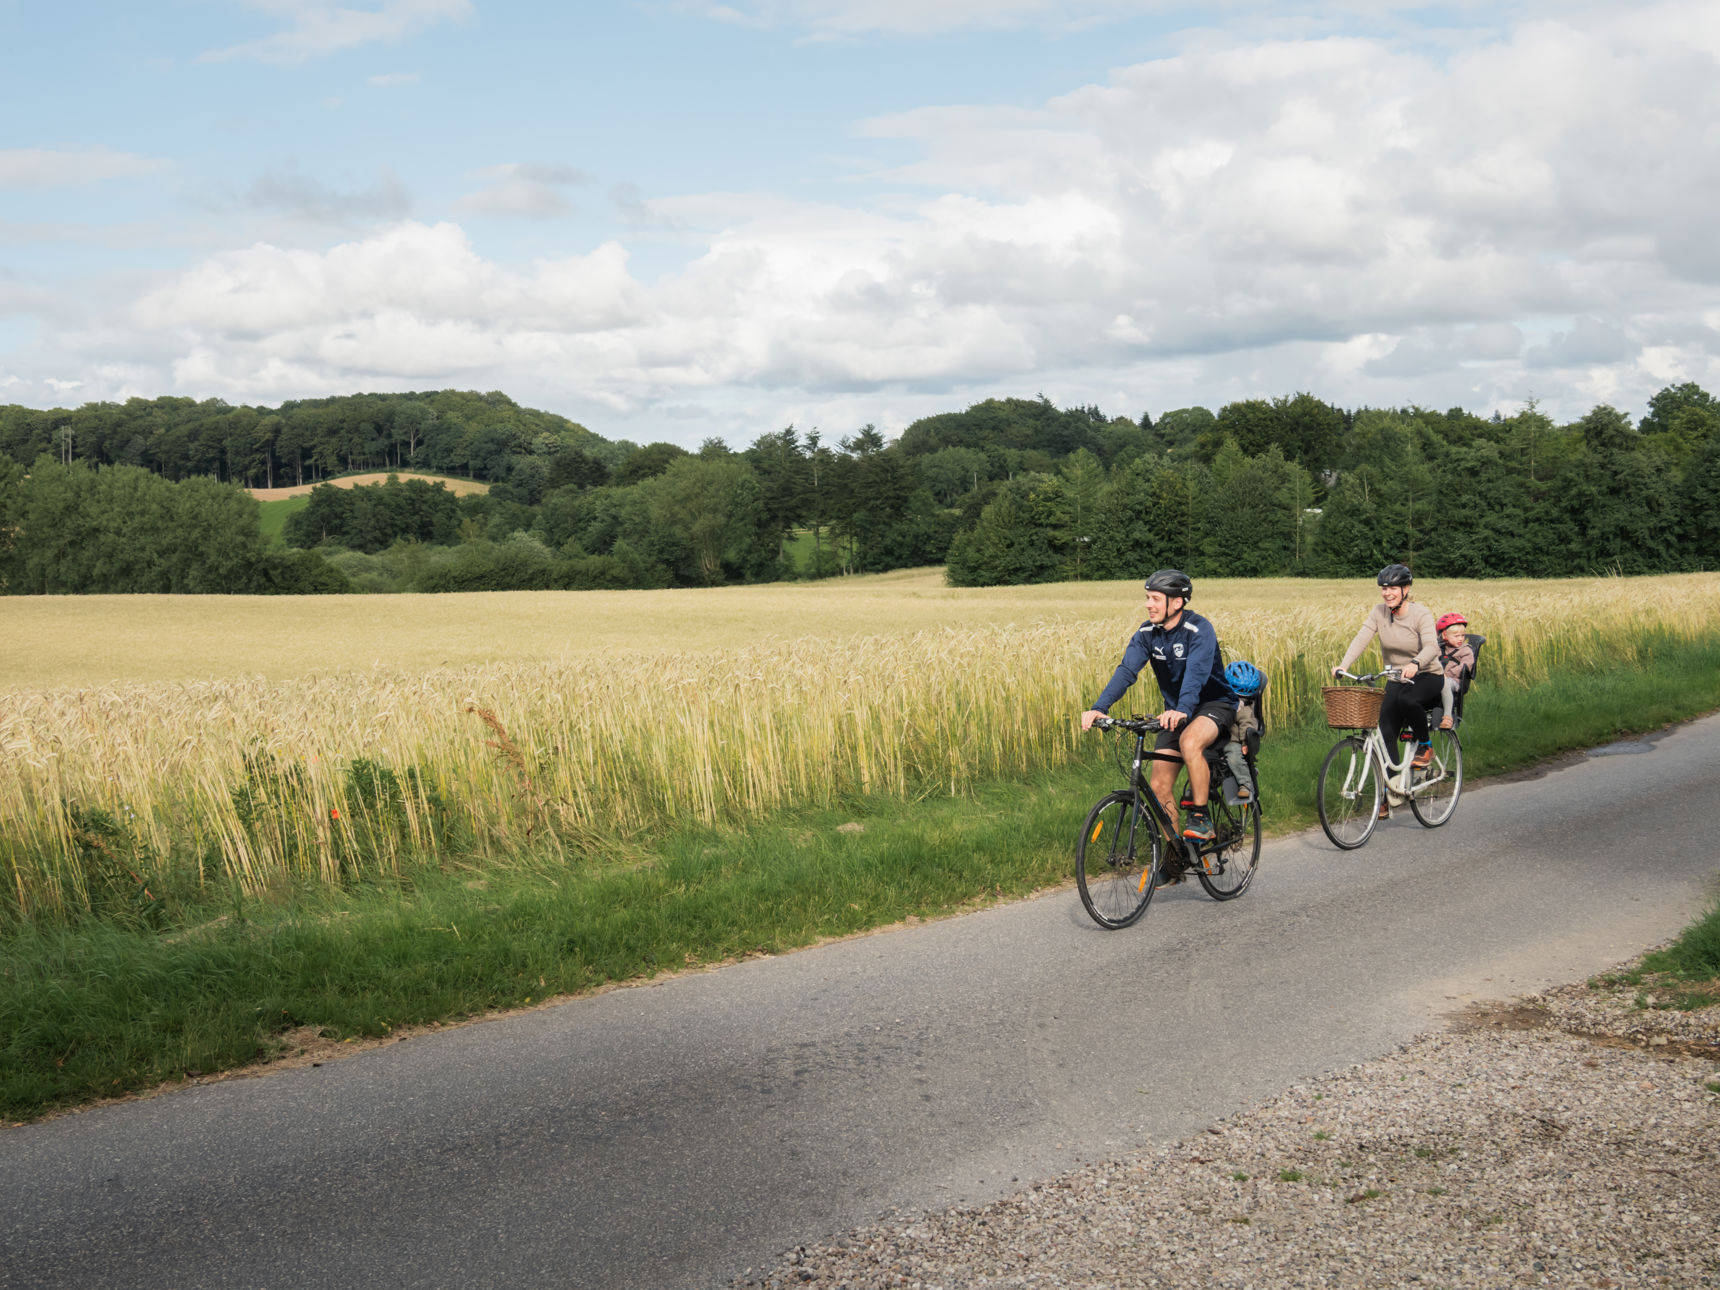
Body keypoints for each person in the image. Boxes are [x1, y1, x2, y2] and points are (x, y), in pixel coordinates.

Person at [1080, 569, 1236, 843]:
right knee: (1158, 786)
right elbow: (1127, 671)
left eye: (1154, 598)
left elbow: (1196, 674)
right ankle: (1175, 855)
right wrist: (1099, 707)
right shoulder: (1146, 633)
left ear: (1176, 602)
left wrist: (1183, 709)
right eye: (1147, 598)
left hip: (1213, 704)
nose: (1148, 604)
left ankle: (1201, 818)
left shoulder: (1198, 630)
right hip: (1176, 710)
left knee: (1189, 742)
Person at [1332, 563, 1439, 790]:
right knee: (1385, 731)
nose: (1387, 593)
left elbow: (1432, 647)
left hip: (1427, 674)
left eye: (1393, 588)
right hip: (1396, 678)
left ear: (1406, 589)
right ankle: (1392, 788)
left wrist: (1415, 663)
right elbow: (1362, 638)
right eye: (1384, 588)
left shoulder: (1421, 614)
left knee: (1408, 700)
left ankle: (1426, 746)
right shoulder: (1378, 612)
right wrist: (1343, 665)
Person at [1220, 659, 1264, 804]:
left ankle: (1245, 782)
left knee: (1234, 757)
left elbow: (1247, 724)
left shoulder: (1242, 707)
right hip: (1215, 740)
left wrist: (1246, 742)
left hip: (1233, 741)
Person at [1434, 612, 1476, 730]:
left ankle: (1447, 717)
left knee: (1445, 682)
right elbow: (1430, 660)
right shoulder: (1439, 648)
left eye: (1462, 635)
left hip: (1455, 681)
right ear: (1444, 635)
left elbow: (1465, 666)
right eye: (1456, 636)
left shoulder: (1465, 650)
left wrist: (1446, 675)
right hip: (1438, 678)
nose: (1460, 639)